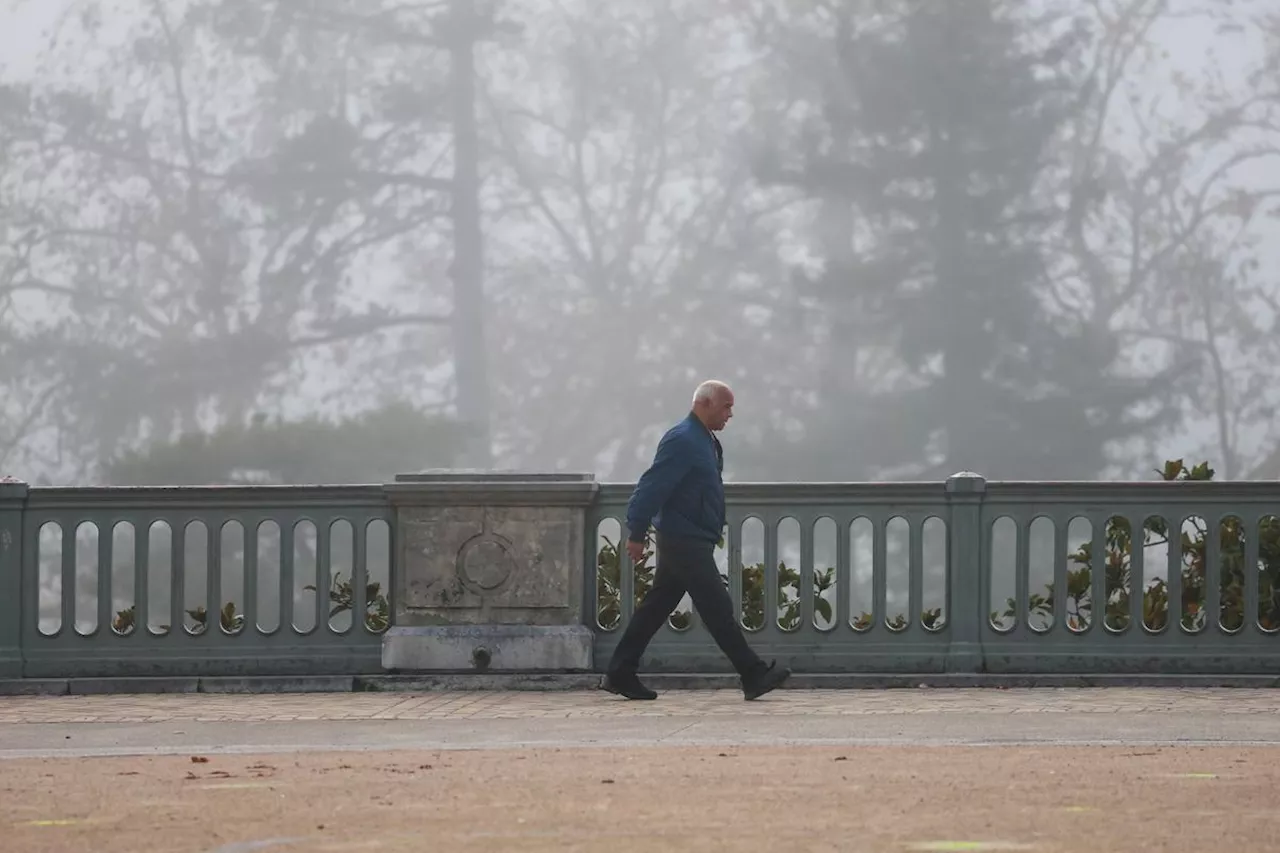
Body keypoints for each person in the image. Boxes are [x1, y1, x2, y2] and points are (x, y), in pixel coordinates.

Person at [601, 380, 791, 701]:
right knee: (717, 605)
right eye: (726, 406)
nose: (730, 414)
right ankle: (753, 673)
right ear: (704, 404)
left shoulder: (704, 440)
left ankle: (620, 671)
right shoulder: (683, 440)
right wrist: (636, 531)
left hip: (692, 537)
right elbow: (653, 485)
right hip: (682, 538)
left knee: (657, 606)